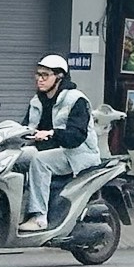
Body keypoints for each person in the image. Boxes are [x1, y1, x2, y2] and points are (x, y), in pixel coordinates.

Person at [15, 55, 103, 234]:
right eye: (38, 74)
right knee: (14, 159)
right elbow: (26, 127)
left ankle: (39, 217)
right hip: (49, 150)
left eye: (45, 75)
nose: (39, 79)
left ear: (59, 77)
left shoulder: (76, 100)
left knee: (40, 161)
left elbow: (76, 137)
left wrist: (53, 133)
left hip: (77, 154)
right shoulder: (37, 100)